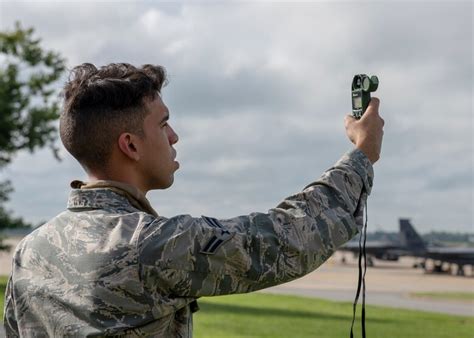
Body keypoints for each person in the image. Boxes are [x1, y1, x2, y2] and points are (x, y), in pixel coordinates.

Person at [4, 63, 384, 337]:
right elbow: (287, 239)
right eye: (163, 122)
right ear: (130, 145)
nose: (174, 137)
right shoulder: (148, 244)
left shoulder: (30, 251)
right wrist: (361, 156)